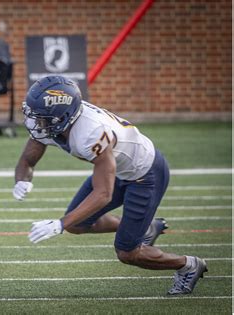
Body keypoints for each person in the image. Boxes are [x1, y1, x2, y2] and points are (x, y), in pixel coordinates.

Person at [13, 75, 207, 295]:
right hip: (117, 169)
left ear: (62, 117)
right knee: (77, 224)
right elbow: (28, 160)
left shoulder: (91, 132)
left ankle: (187, 265)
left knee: (127, 253)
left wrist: (59, 224)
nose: (35, 122)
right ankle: (149, 227)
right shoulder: (53, 122)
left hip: (145, 173)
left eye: (41, 117)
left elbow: (104, 193)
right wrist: (22, 179)